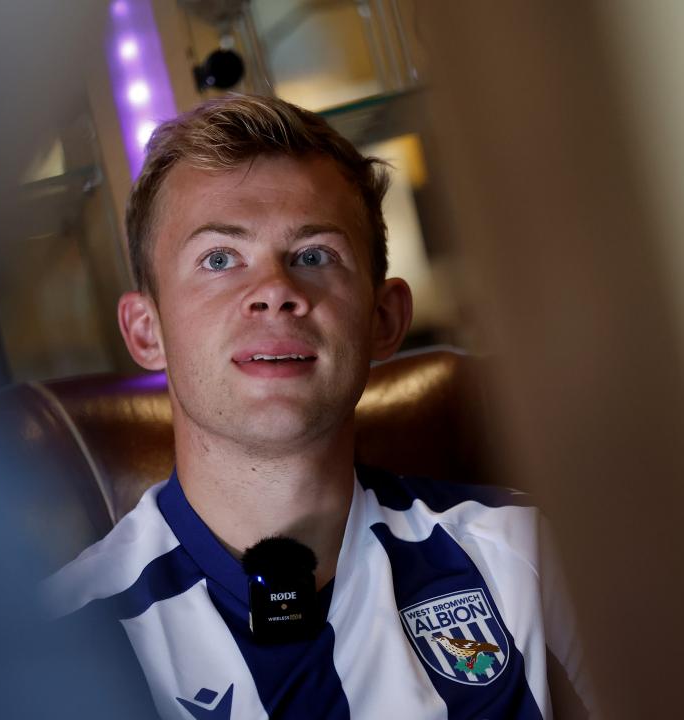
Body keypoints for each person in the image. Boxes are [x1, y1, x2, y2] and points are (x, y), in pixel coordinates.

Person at [43, 94, 592, 719]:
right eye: (219, 259)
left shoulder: (528, 557)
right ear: (147, 331)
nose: (274, 291)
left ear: (384, 318)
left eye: (313, 256)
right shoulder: (53, 648)